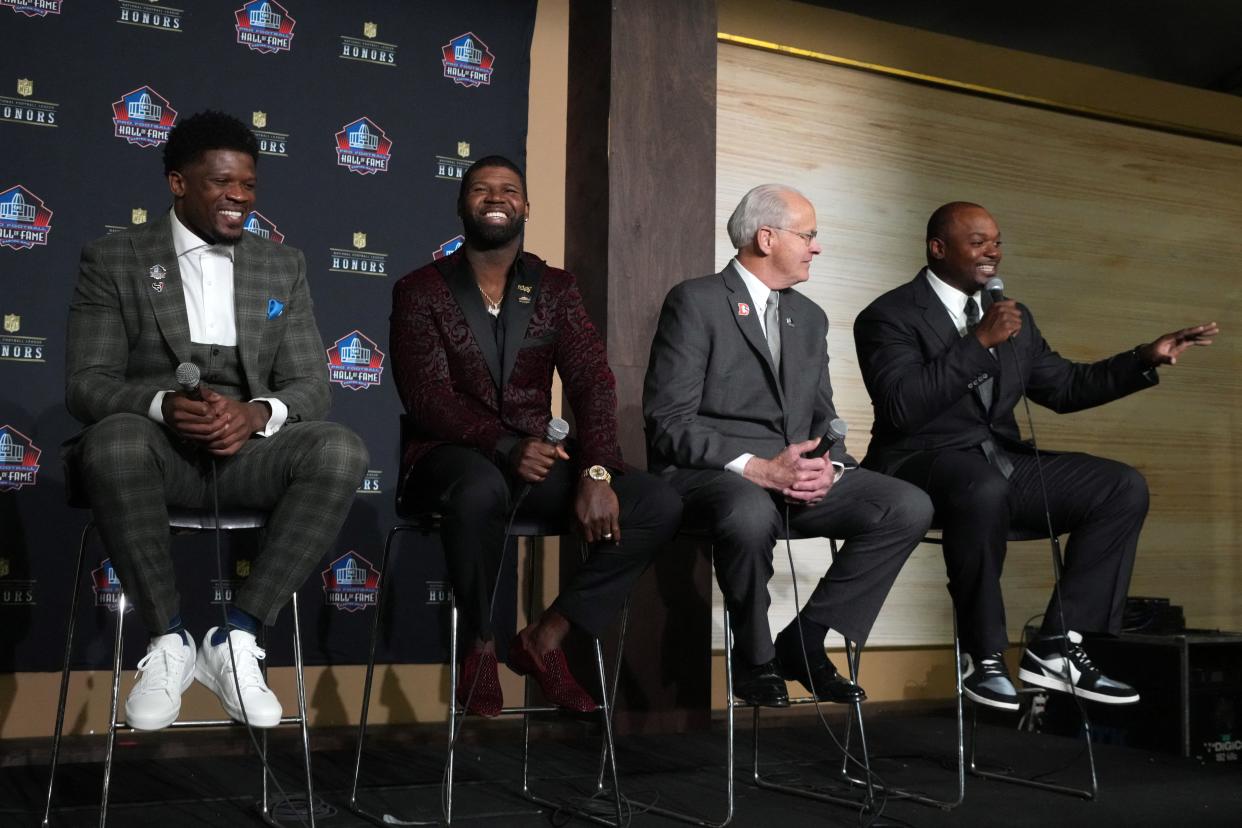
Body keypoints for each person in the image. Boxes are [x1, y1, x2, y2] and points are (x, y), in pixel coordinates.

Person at [64, 111, 368, 731]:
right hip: (159, 455)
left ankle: (237, 636)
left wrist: (258, 413)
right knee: (116, 441)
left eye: (248, 185)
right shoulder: (115, 258)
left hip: (250, 456)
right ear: (178, 183)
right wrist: (160, 406)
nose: (239, 197)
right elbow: (86, 383)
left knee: (339, 449)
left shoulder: (283, 265)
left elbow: (312, 385)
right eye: (221, 183)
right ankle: (169, 640)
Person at [853, 201, 1218, 710]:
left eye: (997, 242)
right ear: (938, 248)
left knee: (1119, 486)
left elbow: (1066, 387)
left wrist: (1143, 358)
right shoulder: (888, 315)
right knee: (981, 485)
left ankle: (1058, 646)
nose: (992, 253)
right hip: (917, 463)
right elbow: (901, 406)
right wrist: (979, 343)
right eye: (978, 242)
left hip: (994, 463)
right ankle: (982, 656)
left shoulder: (1011, 319)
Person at [389, 155, 682, 717]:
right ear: (461, 205)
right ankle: (479, 643)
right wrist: (503, 446)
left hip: (536, 461)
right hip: (448, 458)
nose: (496, 197)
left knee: (657, 502)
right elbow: (426, 398)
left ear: (525, 206)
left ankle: (544, 639)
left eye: (509, 190)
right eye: (481, 189)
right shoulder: (420, 290)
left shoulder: (555, 288)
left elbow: (593, 383)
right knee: (480, 489)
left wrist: (596, 471)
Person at [643, 184, 933, 707]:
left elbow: (823, 415)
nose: (816, 247)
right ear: (766, 236)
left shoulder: (811, 317)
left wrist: (831, 468)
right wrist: (756, 467)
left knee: (906, 504)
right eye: (809, 235)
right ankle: (754, 658)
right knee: (749, 513)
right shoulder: (696, 300)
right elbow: (668, 422)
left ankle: (805, 639)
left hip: (792, 477)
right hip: (716, 476)